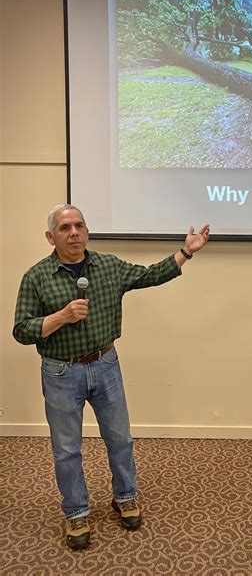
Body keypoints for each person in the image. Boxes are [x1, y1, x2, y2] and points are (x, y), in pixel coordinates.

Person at [13, 204, 210, 550]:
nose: (73, 232)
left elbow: (149, 275)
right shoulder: (36, 277)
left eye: (79, 225)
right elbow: (21, 330)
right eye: (64, 228)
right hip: (60, 371)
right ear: (51, 237)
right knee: (67, 449)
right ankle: (76, 511)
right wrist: (59, 317)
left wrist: (185, 253)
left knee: (120, 438)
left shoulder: (108, 266)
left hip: (105, 363)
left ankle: (125, 496)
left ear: (87, 231)